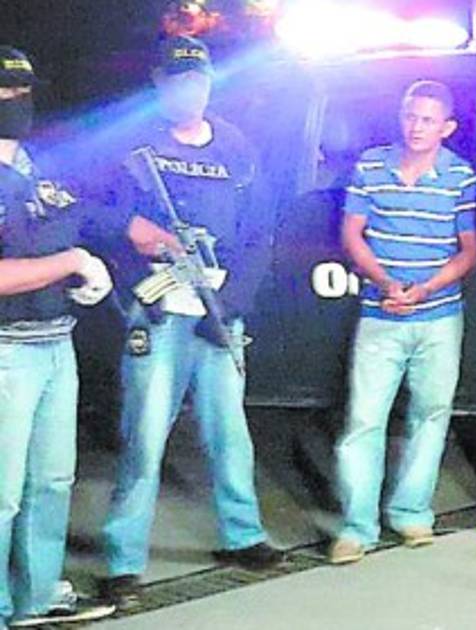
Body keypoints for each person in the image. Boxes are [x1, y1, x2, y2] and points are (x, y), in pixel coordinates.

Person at [100, 36, 281, 608]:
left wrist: (232, 303)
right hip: (159, 311)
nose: (189, 90)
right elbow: (92, 214)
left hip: (218, 310)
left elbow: (260, 233)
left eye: (198, 80)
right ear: (160, 84)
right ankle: (123, 560)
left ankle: (244, 535)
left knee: (230, 433)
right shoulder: (133, 146)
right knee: (144, 436)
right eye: (178, 81)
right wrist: (132, 229)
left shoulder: (236, 148)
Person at [326, 80, 476, 565]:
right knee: (364, 420)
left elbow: (470, 250)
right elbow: (352, 234)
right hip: (381, 312)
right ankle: (357, 528)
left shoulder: (459, 175)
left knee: (431, 416)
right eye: (411, 116)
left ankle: (411, 512)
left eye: (428, 120)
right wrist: (386, 284)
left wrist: (425, 289)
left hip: (439, 316)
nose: (417, 127)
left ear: (446, 127)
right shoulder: (372, 166)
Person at [0, 45, 119, 628]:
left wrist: (85, 273)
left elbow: (66, 232)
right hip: (6, 350)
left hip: (55, 341)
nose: (15, 101)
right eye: (4, 92)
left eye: (22, 91)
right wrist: (71, 261)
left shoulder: (40, 166)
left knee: (51, 482)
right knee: (2, 493)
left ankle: (37, 596)